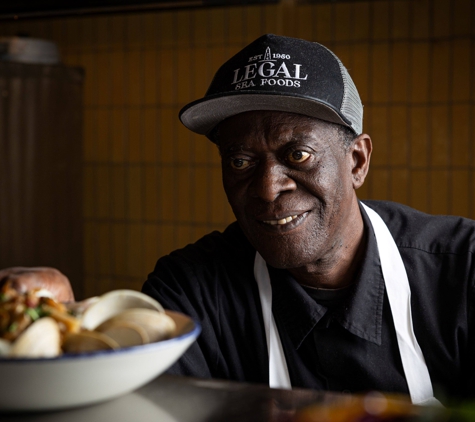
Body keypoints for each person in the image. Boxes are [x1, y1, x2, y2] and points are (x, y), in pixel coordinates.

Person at [2, 34, 474, 405]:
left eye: (299, 153)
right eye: (241, 161)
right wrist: (51, 326)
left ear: (356, 161)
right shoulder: (189, 292)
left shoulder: (462, 270)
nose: (268, 189)